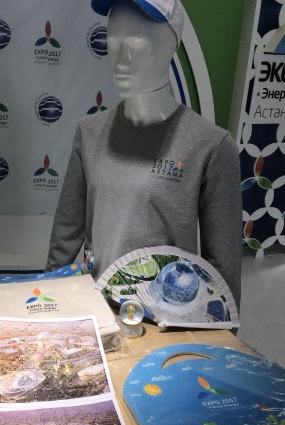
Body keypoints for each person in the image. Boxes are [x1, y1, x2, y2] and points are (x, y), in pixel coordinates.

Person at [46, 0, 242, 307]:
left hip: (166, 317)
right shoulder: (90, 133)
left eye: (136, 37)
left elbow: (223, 269)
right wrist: (50, 307)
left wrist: (221, 331)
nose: (121, 53)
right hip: (98, 310)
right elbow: (65, 236)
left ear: (170, 44)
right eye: (113, 35)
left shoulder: (211, 146)